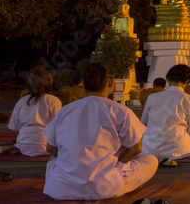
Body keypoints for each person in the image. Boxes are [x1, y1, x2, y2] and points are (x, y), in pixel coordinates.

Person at [43, 62, 157, 201]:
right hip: (105, 187)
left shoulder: (65, 110)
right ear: (111, 83)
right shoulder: (120, 110)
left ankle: (63, 181)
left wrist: (73, 159)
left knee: (54, 160)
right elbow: (136, 149)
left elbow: (50, 147)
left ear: (83, 84)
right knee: (151, 160)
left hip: (61, 189)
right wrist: (118, 162)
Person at [141, 64, 190, 162]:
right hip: (179, 150)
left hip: (149, 150)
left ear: (168, 78)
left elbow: (143, 123)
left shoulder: (152, 97)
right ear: (187, 81)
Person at [0, 68, 61, 156]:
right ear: (49, 84)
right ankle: (18, 147)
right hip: (47, 147)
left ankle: (16, 147)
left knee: (23, 140)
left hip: (24, 146)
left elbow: (14, 127)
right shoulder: (54, 101)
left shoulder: (22, 101)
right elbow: (58, 126)